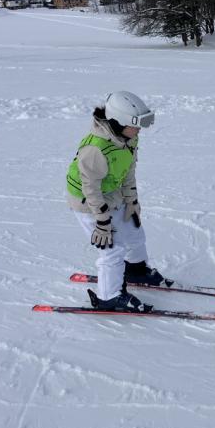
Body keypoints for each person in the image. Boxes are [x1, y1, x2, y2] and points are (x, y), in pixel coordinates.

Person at [66, 91, 163, 312]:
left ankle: (136, 269)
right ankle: (108, 296)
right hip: (87, 202)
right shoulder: (94, 149)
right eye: (136, 124)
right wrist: (102, 222)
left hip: (112, 193)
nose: (140, 130)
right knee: (112, 249)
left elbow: (128, 171)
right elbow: (90, 189)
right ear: (118, 122)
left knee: (133, 230)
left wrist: (132, 201)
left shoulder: (128, 137)